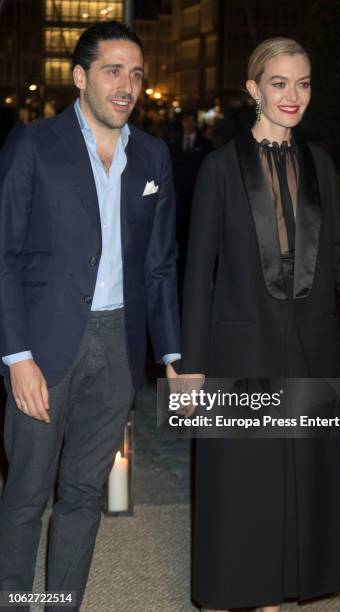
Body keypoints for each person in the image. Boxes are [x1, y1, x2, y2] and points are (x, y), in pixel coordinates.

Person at [180, 38, 340, 611]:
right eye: (279, 83)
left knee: (299, 473)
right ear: (253, 90)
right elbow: (197, 272)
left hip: (309, 343)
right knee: (243, 480)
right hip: (239, 348)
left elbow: (339, 250)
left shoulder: (319, 163)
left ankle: (277, 592)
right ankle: (235, 591)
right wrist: (190, 364)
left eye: (302, 83)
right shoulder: (220, 168)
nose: (292, 95)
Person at [0, 21, 180, 611]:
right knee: (26, 494)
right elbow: (3, 254)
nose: (126, 85)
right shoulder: (32, 145)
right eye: (112, 70)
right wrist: (16, 355)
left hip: (119, 348)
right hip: (44, 347)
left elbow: (159, 268)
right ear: (80, 77)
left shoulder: (152, 155)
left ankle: (59, 605)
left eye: (135, 73)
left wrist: (172, 356)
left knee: (82, 493)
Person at [168, 110, 213, 283]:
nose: (188, 124)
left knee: (193, 231)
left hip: (196, 196)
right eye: (185, 120)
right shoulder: (174, 142)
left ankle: (192, 263)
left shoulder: (204, 143)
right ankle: (178, 264)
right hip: (178, 196)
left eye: (191, 120)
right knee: (177, 231)